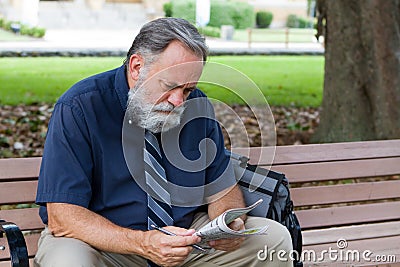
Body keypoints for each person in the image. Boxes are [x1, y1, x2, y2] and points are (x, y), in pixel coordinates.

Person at [34, 17, 292, 267]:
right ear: (136, 67)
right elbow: (62, 216)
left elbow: (221, 187)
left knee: (273, 239)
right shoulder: (80, 107)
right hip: (105, 244)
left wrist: (229, 223)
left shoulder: (196, 106)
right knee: (67, 261)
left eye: (188, 89)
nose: (179, 100)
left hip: (187, 241)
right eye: (170, 85)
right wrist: (143, 243)